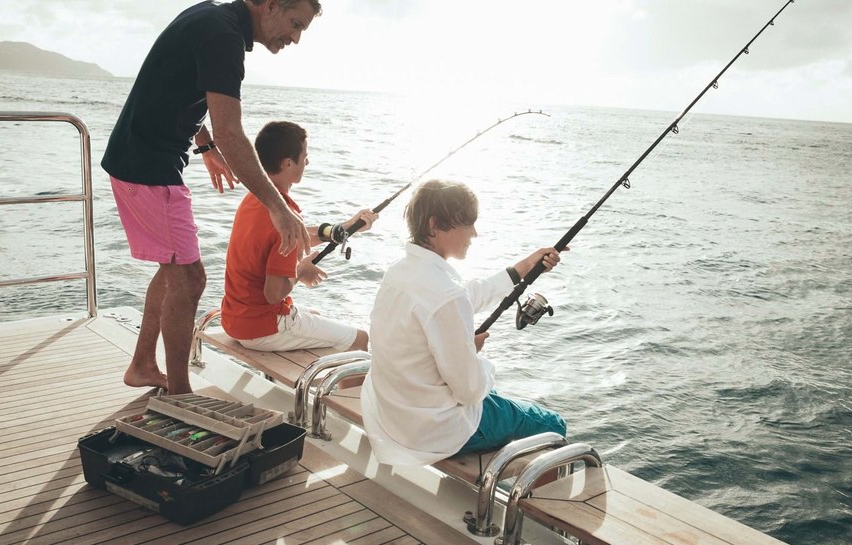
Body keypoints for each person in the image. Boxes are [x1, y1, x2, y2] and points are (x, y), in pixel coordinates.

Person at [101, 0, 322, 395]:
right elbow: (232, 133)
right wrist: (278, 208)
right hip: (149, 168)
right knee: (190, 279)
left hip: (136, 160)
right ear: (269, 5)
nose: (295, 37)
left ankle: (143, 365)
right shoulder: (224, 35)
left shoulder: (211, 18)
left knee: (174, 271)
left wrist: (202, 145)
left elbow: (177, 86)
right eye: (294, 23)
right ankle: (181, 394)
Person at [360, 179, 568, 466]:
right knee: (554, 425)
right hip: (431, 432)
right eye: (468, 223)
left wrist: (525, 267)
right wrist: (472, 354)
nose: (474, 232)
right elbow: (469, 390)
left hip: (391, 415)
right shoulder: (446, 294)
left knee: (492, 396)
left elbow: (464, 298)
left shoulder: (399, 273)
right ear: (435, 226)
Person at [221, 121, 377, 352]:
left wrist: (347, 226)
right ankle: (336, 388)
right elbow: (273, 294)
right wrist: (300, 271)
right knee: (360, 339)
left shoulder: (255, 200)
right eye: (304, 156)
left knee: (315, 315)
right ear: (287, 163)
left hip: (234, 319)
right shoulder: (285, 218)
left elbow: (298, 235)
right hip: (263, 328)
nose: (307, 162)